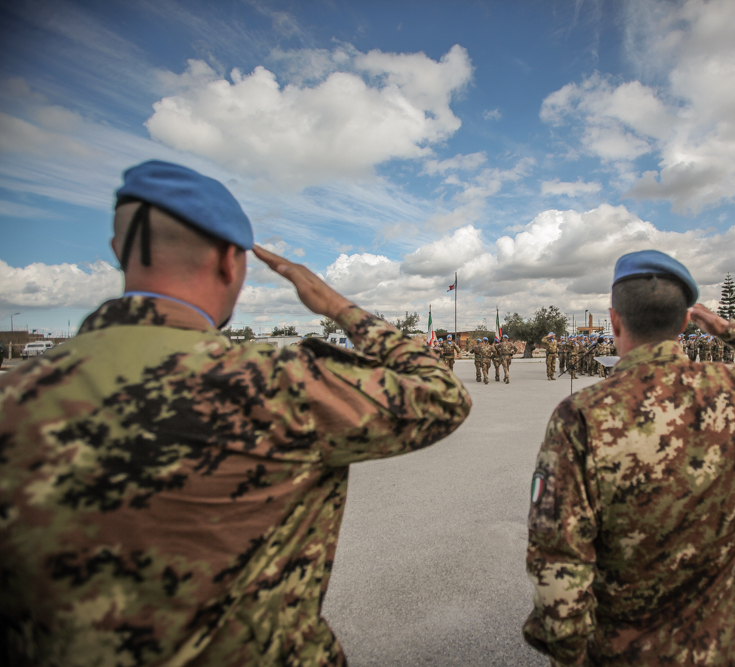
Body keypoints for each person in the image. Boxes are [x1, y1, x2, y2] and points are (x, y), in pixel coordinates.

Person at [0, 160, 472, 666]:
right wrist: (338, 306)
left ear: (119, 252)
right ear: (231, 261)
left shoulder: (16, 399)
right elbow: (441, 394)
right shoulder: (280, 383)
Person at [523, 249, 735, 666]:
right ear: (687, 322)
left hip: (621, 652)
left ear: (615, 320)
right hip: (720, 646)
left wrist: (569, 652)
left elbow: (559, 559)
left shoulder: (582, 415)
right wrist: (729, 330)